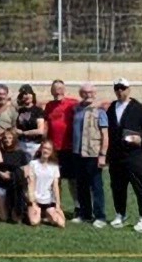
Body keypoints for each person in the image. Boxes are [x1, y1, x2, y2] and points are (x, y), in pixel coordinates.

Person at [106, 78, 142, 233]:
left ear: (129, 89)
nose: (120, 91)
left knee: (141, 187)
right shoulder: (112, 107)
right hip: (116, 156)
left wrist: (140, 137)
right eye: (117, 88)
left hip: (135, 156)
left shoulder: (138, 108)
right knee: (117, 187)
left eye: (123, 88)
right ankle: (120, 214)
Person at [71, 83, 109, 227]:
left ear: (95, 93)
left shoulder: (100, 111)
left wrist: (103, 155)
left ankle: (100, 217)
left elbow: (105, 135)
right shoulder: (76, 109)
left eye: (91, 92)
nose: (88, 94)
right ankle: (85, 214)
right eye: (85, 92)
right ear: (81, 93)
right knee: (82, 186)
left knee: (96, 186)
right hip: (77, 152)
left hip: (93, 153)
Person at [44, 79, 79, 215]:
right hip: (54, 149)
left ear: (64, 90)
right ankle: (56, 205)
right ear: (52, 91)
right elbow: (47, 126)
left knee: (72, 180)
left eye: (60, 88)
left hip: (69, 148)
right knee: (55, 179)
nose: (58, 91)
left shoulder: (73, 104)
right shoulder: (49, 106)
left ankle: (78, 206)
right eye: (55, 88)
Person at [27, 140, 66, 228]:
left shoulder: (54, 166)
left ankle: (46, 215)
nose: (46, 151)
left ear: (51, 152)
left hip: (48, 201)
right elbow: (31, 184)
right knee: (34, 222)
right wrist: (33, 203)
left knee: (61, 223)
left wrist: (58, 205)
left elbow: (56, 187)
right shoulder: (33, 164)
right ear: (40, 149)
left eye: (49, 149)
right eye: (44, 148)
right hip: (36, 200)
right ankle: (37, 213)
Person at [0, 131, 29, 223]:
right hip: (3, 185)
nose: (7, 140)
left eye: (9, 138)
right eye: (5, 138)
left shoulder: (20, 153)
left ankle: (18, 209)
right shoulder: (0, 153)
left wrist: (13, 176)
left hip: (16, 185)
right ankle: (6, 207)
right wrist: (2, 174)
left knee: (16, 219)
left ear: (14, 139)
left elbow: (26, 171)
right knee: (3, 217)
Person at [15, 84, 47, 160]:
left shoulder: (38, 110)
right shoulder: (19, 111)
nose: (27, 96)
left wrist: (24, 133)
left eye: (29, 93)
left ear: (33, 95)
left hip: (34, 145)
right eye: (24, 94)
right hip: (21, 144)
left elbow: (40, 130)